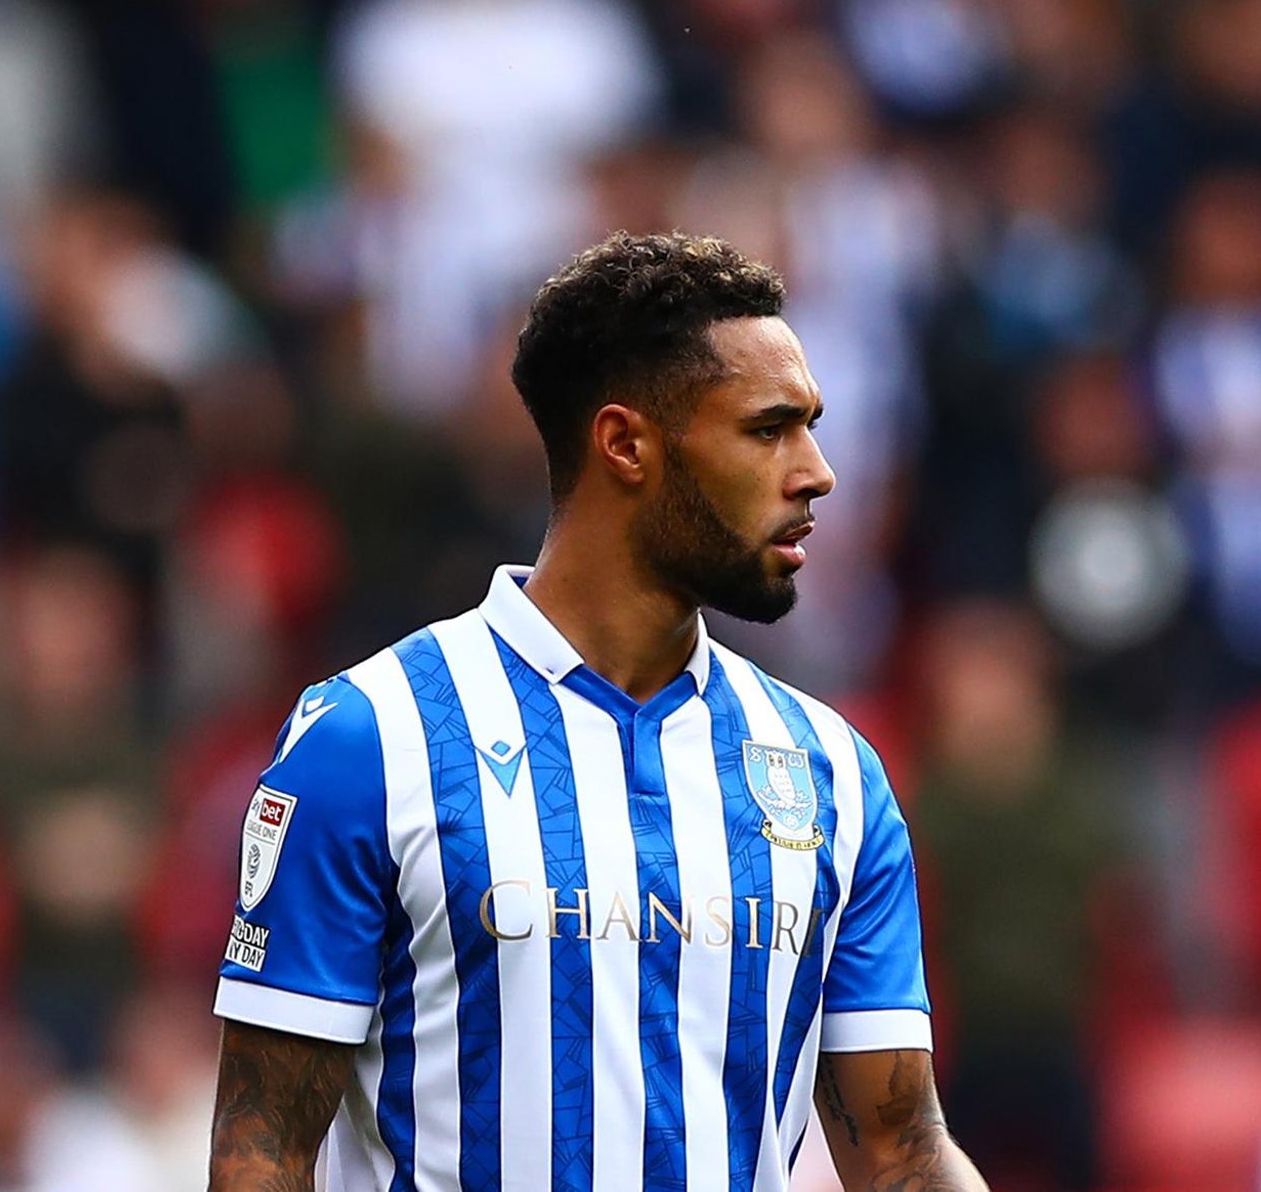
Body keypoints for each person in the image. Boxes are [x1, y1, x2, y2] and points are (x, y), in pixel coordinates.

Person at [207, 232, 987, 1192]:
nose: (817, 471)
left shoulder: (829, 772)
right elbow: (261, 1154)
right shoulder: (373, 740)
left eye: (811, 428)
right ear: (625, 444)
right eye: (768, 429)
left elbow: (904, 1154)